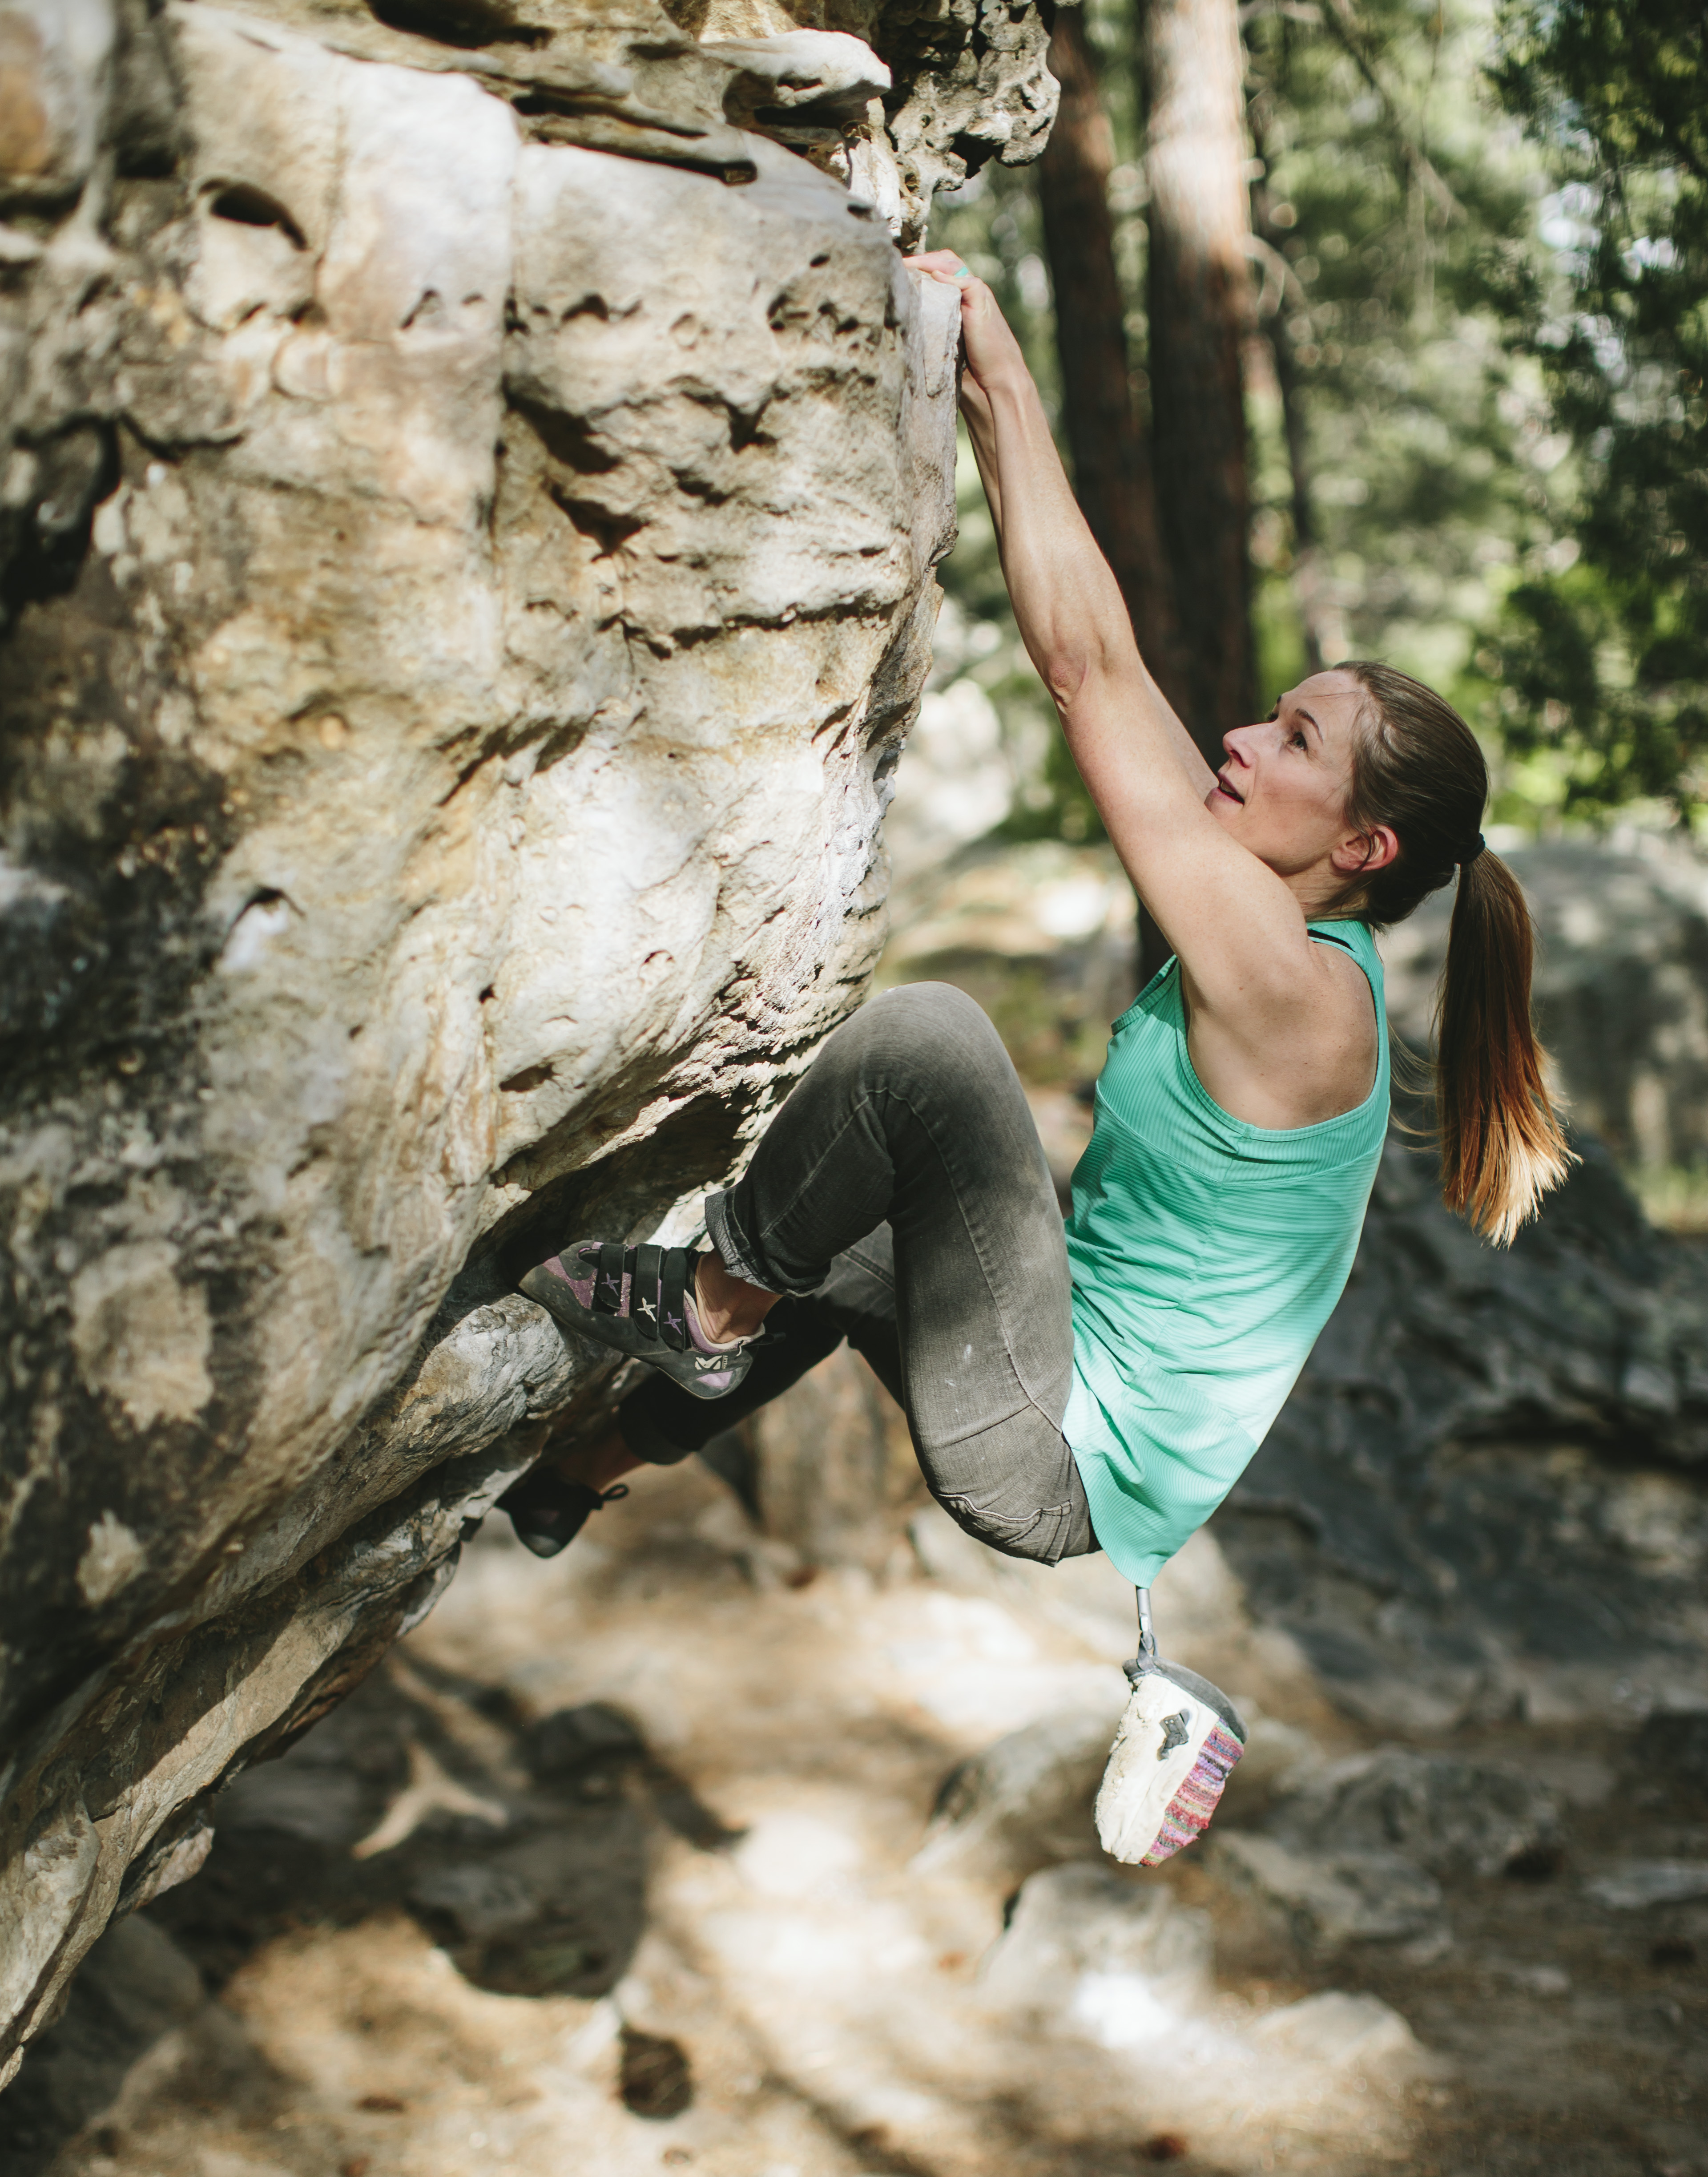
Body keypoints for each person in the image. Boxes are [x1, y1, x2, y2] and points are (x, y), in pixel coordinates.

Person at [498, 253, 1571, 1858]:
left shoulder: (1294, 991)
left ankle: (705, 1304)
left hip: (1046, 1456)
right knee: (849, 1222)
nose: (1240, 738)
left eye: (1290, 740)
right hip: (1052, 1397)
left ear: (1363, 844)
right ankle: (579, 1466)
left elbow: (1090, 678)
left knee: (931, 1045)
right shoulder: (1296, 955)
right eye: (1269, 714)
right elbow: (1121, 679)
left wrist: (1002, 379)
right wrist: (995, 381)